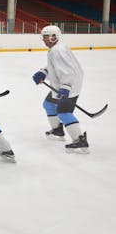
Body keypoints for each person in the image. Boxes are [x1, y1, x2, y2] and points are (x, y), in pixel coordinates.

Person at [32, 25, 88, 153]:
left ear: (53, 37)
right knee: (48, 104)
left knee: (64, 113)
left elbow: (67, 71)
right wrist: (43, 72)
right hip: (64, 85)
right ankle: (58, 131)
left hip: (68, 86)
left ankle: (80, 142)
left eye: (45, 37)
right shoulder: (57, 48)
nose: (43, 40)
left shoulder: (58, 50)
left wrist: (65, 88)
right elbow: (55, 66)